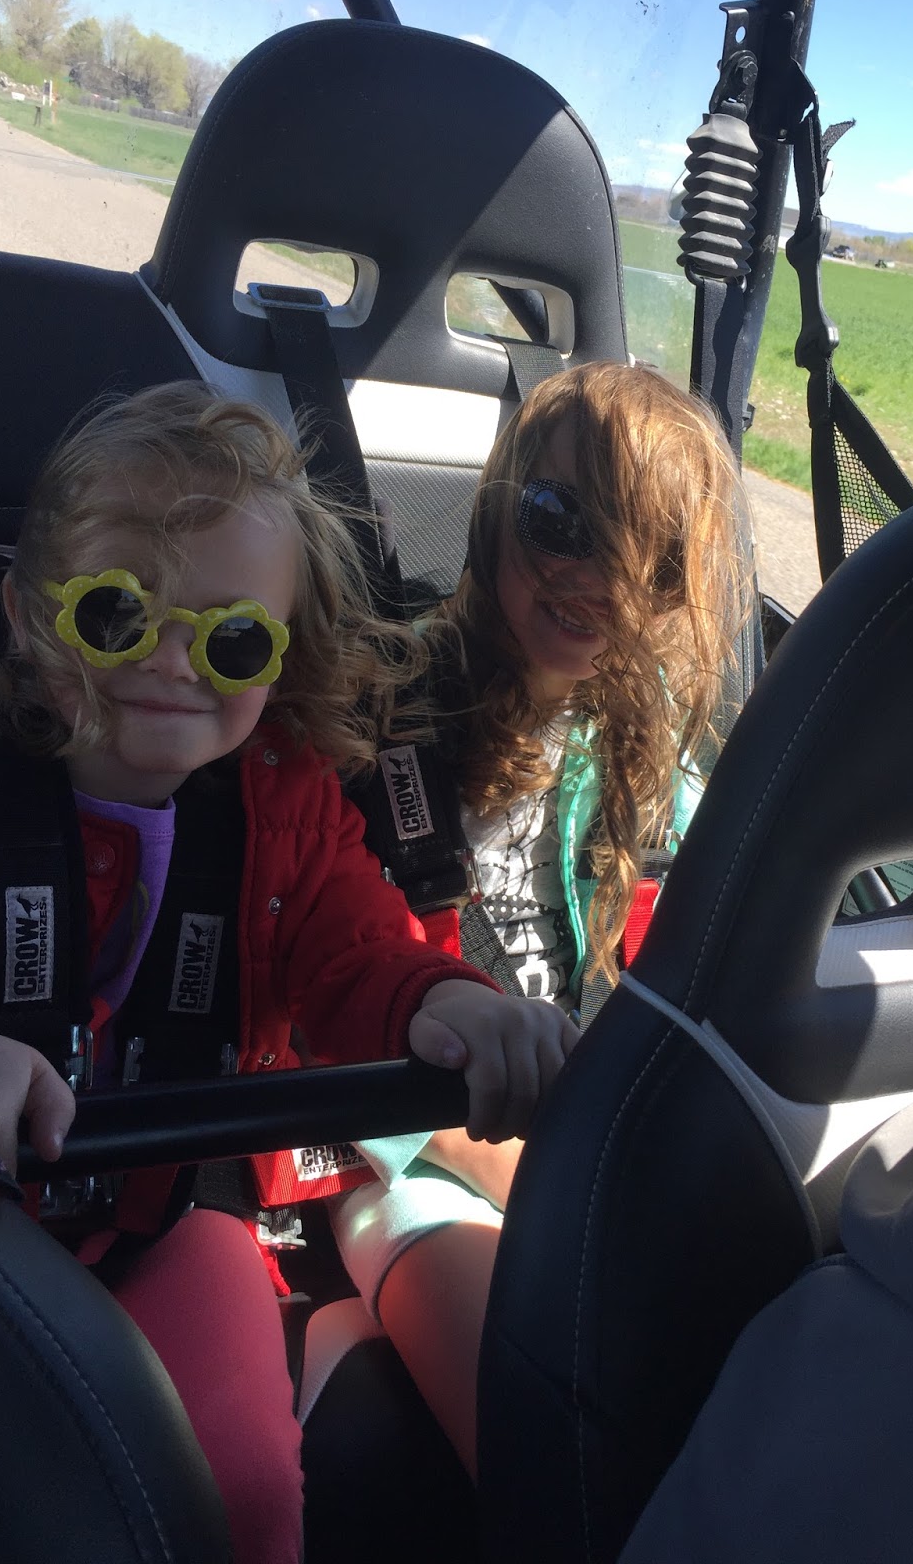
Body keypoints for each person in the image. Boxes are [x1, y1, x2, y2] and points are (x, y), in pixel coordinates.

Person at [0, 380, 579, 1564]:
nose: (173, 665)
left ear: (279, 654)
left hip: (171, 1202)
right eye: (116, 617)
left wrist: (446, 1004)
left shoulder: (279, 799)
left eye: (230, 641)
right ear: (24, 612)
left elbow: (355, 945)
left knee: (242, 1490)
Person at [331, 359, 749, 1477]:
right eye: (560, 523)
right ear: (495, 508)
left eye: (656, 559)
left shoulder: (646, 755)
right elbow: (332, 979)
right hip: (405, 1152)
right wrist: (551, 1180)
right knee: (557, 1448)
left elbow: (728, 928)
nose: (596, 580)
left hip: (588, 1151)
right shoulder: (381, 719)